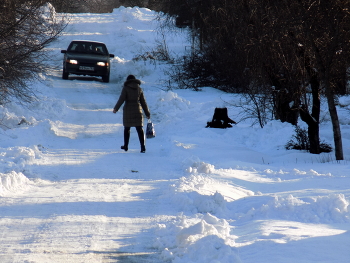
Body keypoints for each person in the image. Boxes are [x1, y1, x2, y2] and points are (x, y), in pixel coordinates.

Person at [113, 75, 150, 153]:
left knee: (127, 128)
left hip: (128, 110)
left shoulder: (125, 88)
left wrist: (116, 108)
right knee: (139, 129)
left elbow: (121, 99)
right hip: (138, 110)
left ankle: (126, 146)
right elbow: (143, 102)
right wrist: (147, 113)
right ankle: (143, 147)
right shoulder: (139, 89)